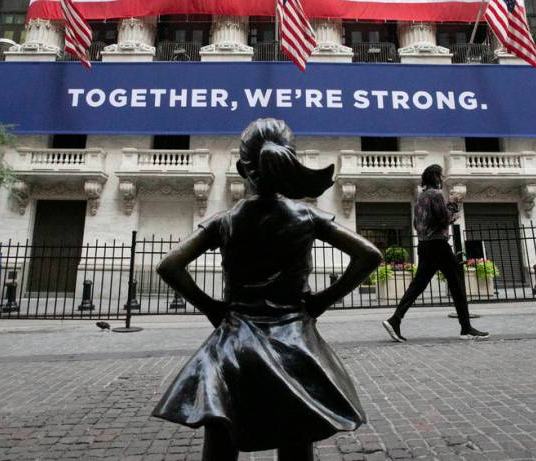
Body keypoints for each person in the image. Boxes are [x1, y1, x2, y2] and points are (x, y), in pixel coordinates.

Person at [153, 119, 382, 461]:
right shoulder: (306, 215)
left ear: (240, 168)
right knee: (296, 434)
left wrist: (211, 308)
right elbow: (369, 255)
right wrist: (321, 302)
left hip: (232, 343)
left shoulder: (225, 220)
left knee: (221, 431)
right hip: (295, 343)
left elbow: (169, 265)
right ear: (288, 162)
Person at [382, 164, 489, 342]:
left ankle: (395, 320)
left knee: (417, 285)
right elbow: (444, 218)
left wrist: (448, 214)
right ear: (436, 176)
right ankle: (466, 328)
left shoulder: (421, 197)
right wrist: (453, 203)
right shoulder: (436, 194)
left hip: (424, 244)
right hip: (438, 245)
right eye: (442, 175)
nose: (444, 178)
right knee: (457, 280)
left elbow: (421, 223)